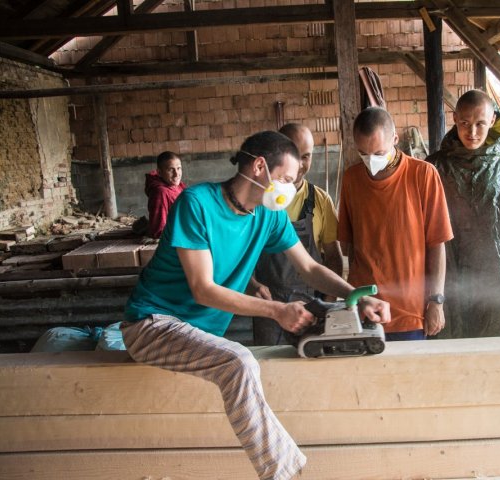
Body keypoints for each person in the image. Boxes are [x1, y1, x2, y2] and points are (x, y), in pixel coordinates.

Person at [122, 131, 391, 480]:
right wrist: (277, 310)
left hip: (198, 335)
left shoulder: (269, 216)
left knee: (244, 363)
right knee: (238, 362)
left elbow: (309, 268)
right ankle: (283, 474)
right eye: (286, 179)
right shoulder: (196, 204)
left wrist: (356, 296)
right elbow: (203, 289)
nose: (290, 188)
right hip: (151, 325)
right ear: (260, 167)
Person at [427, 89, 500, 339]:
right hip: (449, 273)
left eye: (480, 123)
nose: (472, 132)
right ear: (455, 118)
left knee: (498, 345)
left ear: (493, 120)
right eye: (465, 123)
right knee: (451, 347)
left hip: (497, 273)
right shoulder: (435, 166)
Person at [338, 107, 453, 341]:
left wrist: (436, 301)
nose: (371, 161)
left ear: (395, 139)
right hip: (364, 308)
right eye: (363, 153)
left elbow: (437, 244)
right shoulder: (351, 178)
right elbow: (348, 246)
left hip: (409, 312)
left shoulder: (423, 174)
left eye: (379, 153)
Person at [251, 123, 343, 345]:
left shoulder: (320, 200)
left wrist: (329, 303)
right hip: (268, 306)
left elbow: (332, 257)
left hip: (309, 308)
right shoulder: (259, 201)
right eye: (293, 154)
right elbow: (243, 257)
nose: (300, 164)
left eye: (306, 156)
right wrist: (252, 285)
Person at [145, 151, 187, 239]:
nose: (176, 174)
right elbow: (159, 230)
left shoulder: (179, 186)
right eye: (171, 170)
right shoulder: (160, 192)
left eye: (179, 168)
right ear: (159, 172)